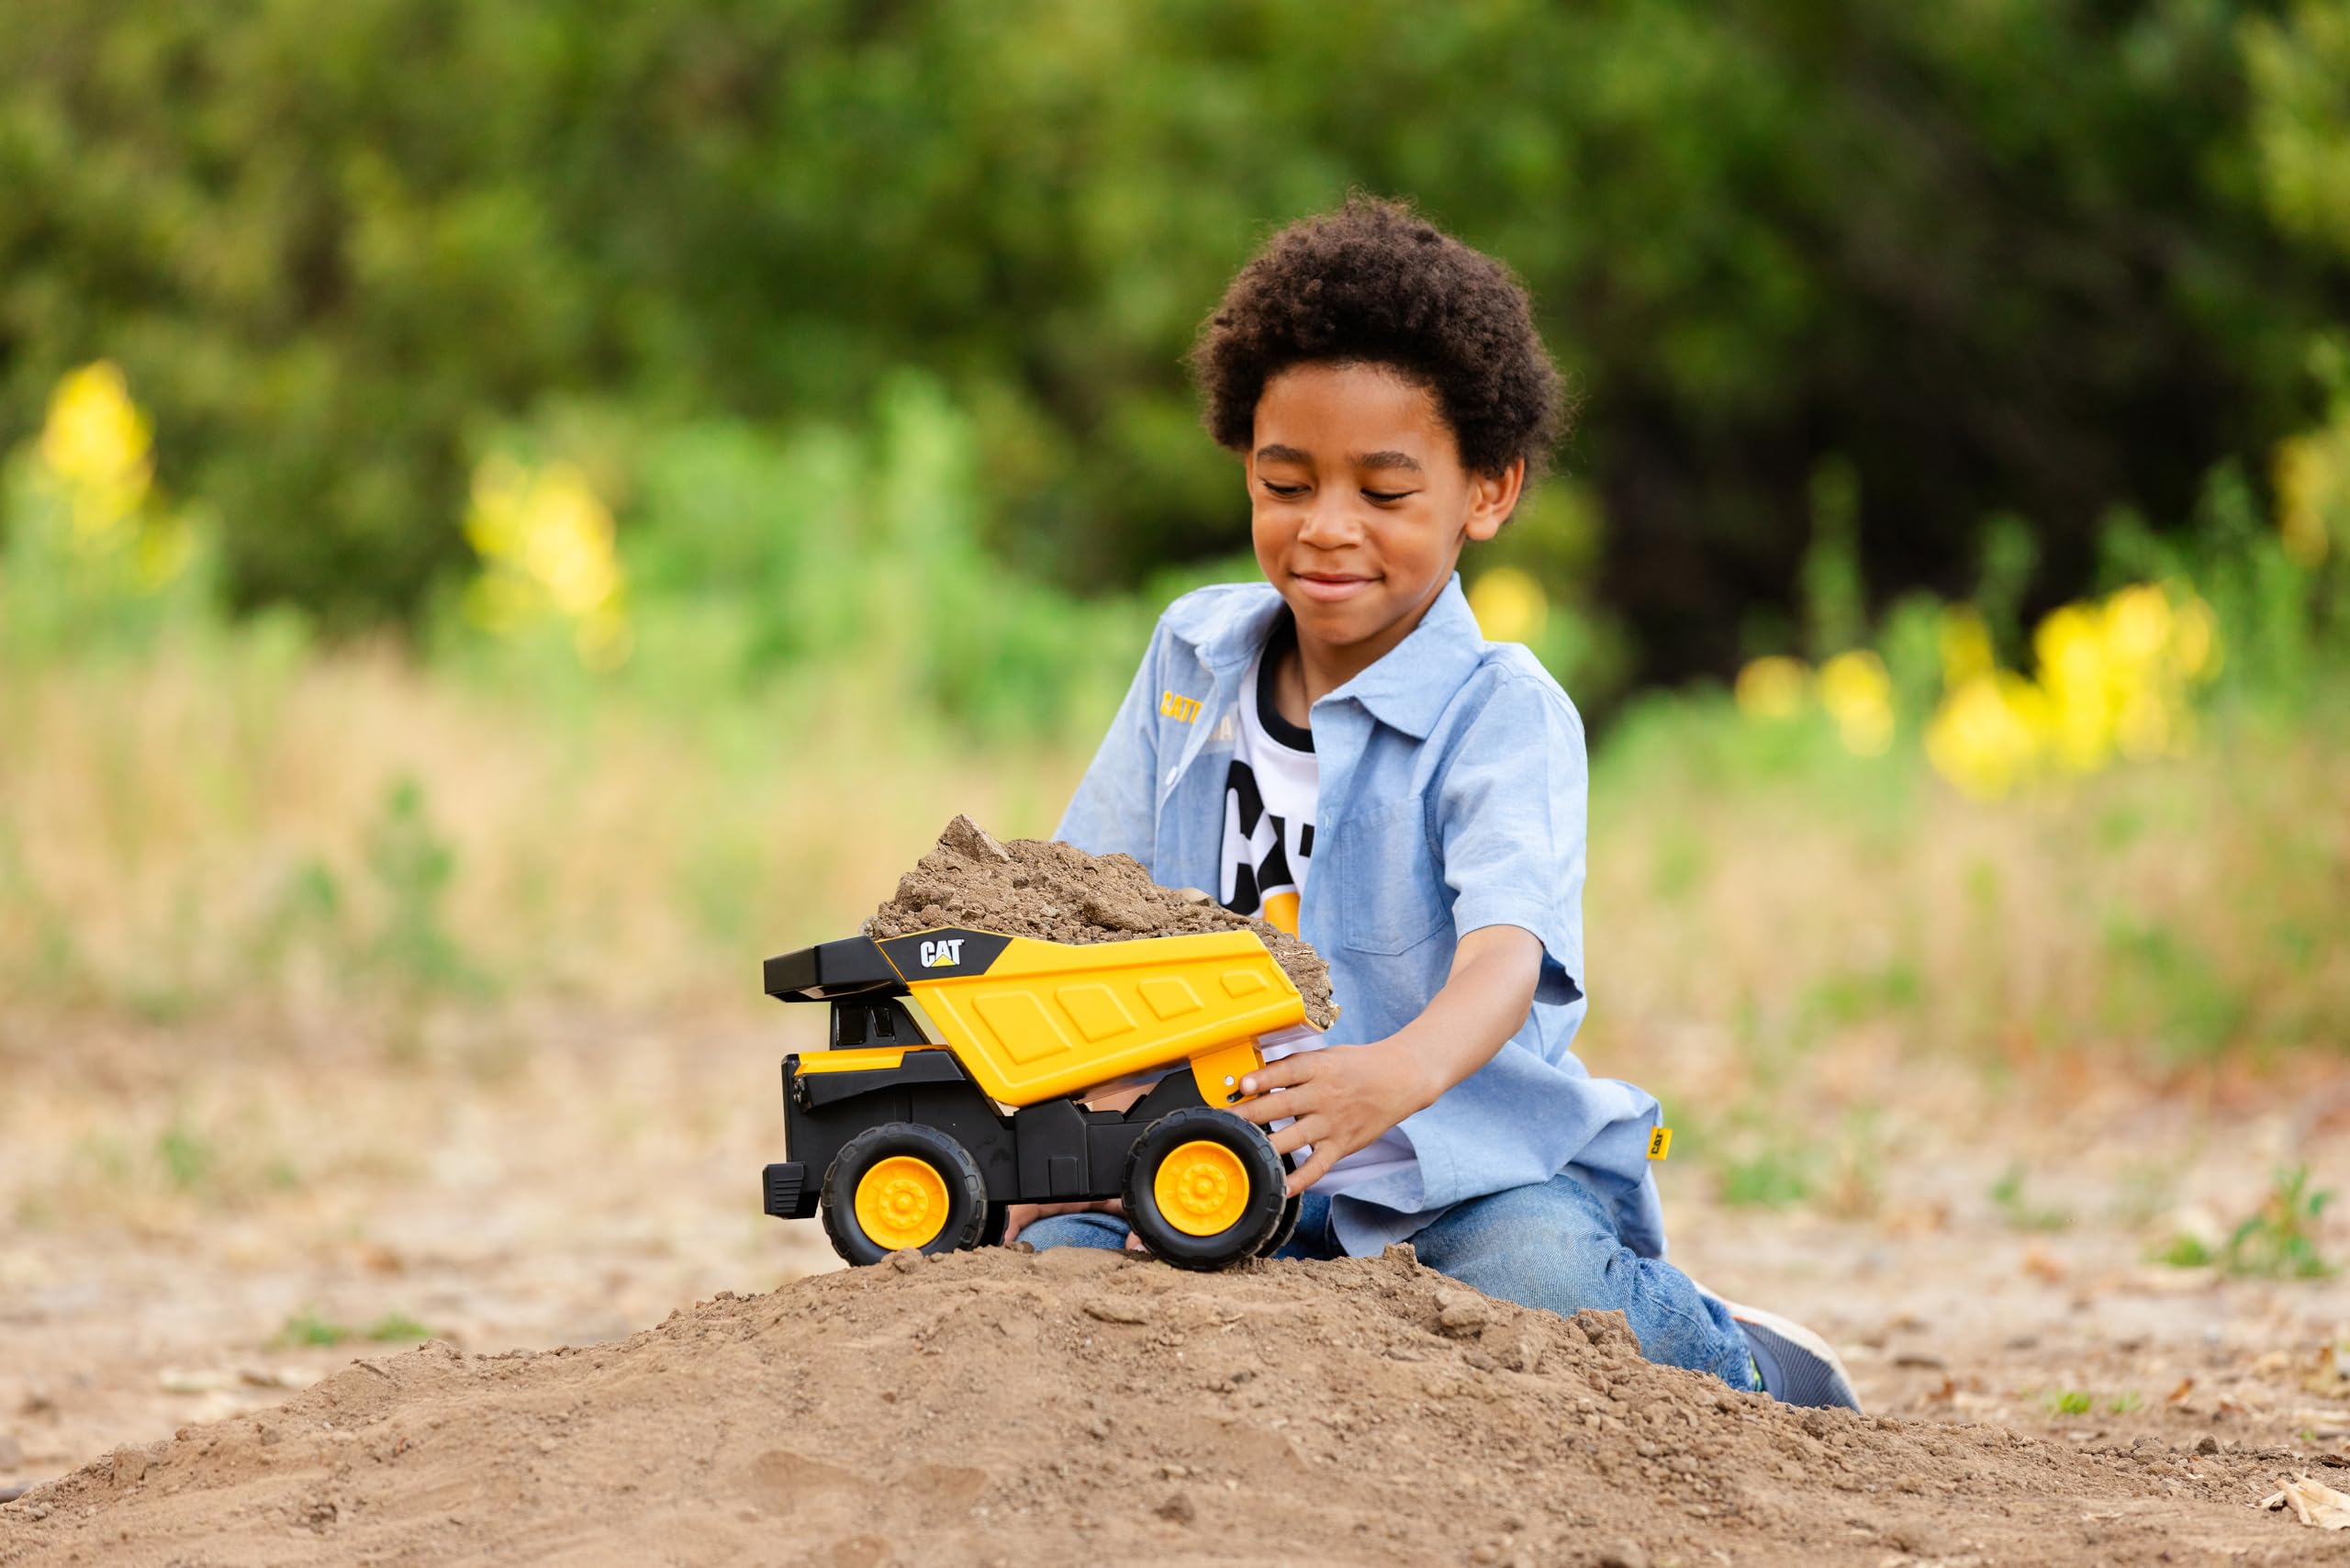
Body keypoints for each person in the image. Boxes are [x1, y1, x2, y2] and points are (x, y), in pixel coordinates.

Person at [1007, 195, 1858, 1409]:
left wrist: (1385, 1077)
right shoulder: (1192, 659)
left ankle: (1753, 1365)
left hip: (1441, 1170)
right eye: (1285, 481)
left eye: (1386, 493)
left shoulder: (1499, 712)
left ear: (1489, 492)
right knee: (1046, 1262)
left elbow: (1508, 956)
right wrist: (1069, 1116)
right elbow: (1089, 904)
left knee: (1542, 1274)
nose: (1326, 529)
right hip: (1198, 1154)